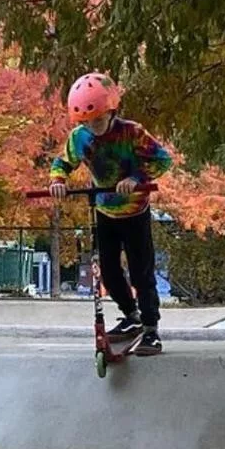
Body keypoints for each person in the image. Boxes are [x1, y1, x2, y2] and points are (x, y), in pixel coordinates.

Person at [49, 72, 172, 356]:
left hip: (135, 211)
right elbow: (62, 162)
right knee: (108, 270)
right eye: (87, 123)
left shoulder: (132, 132)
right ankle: (131, 316)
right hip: (104, 210)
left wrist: (136, 177)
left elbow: (162, 160)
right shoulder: (80, 138)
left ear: (111, 111)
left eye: (99, 121)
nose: (94, 128)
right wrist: (58, 180)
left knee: (142, 273)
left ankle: (151, 329)